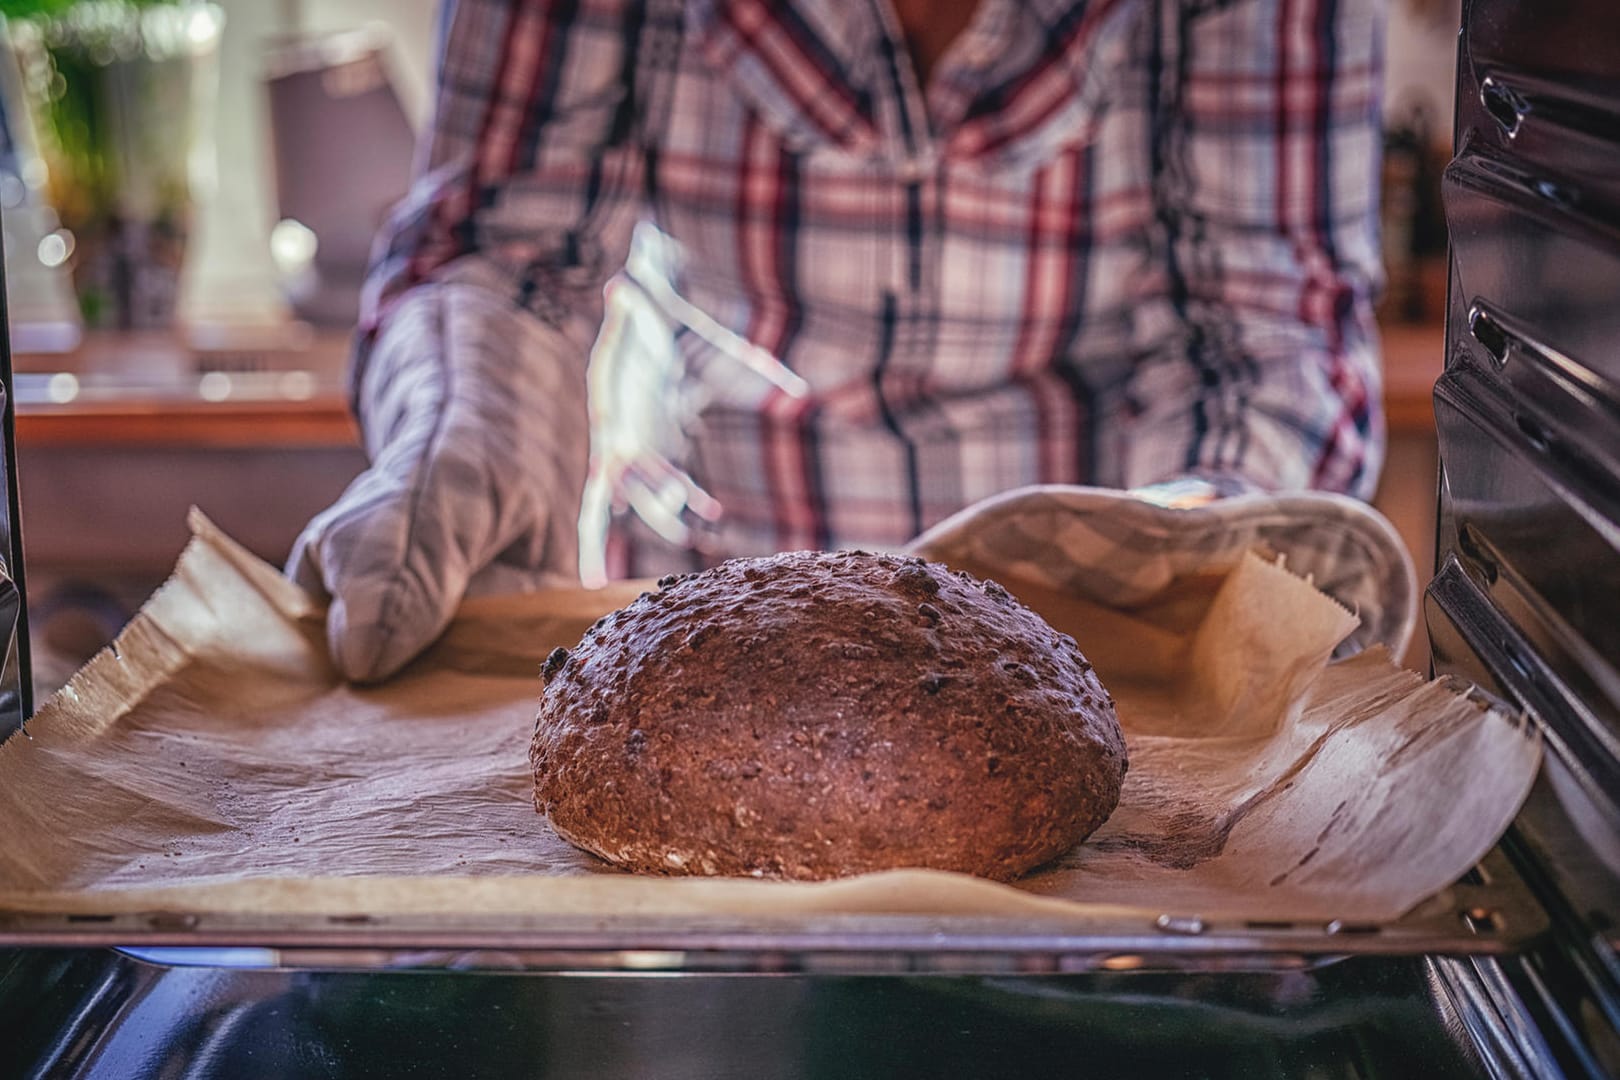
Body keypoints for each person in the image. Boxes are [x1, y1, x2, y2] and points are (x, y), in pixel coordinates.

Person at [289, 0, 1386, 683]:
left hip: (1083, 642)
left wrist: (1181, 576)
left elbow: (1263, 337)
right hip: (687, 617)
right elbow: (505, 256)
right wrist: (459, 436)